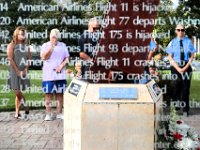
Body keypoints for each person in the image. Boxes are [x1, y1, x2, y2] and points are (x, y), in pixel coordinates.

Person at [166, 24, 196, 116]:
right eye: (178, 30)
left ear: (184, 31)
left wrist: (185, 67)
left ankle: (185, 110)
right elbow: (170, 57)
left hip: (186, 66)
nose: (180, 32)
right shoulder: (172, 42)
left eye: (182, 30)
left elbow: (192, 56)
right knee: (175, 88)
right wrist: (178, 68)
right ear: (175, 31)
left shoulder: (189, 42)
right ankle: (176, 108)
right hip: (175, 66)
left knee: (185, 89)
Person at [40, 28, 69, 121]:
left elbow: (67, 58)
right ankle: (48, 114)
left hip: (60, 74)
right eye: (52, 37)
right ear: (50, 36)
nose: (54, 39)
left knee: (59, 94)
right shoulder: (45, 45)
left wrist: (61, 65)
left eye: (56, 37)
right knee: (48, 95)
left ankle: (59, 113)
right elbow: (44, 57)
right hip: (49, 75)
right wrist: (51, 47)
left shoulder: (63, 45)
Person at [7, 26, 30, 119]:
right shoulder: (11, 45)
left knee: (19, 91)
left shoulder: (26, 46)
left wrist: (25, 70)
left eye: (24, 34)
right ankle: (26, 104)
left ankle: (17, 112)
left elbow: (29, 59)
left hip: (23, 71)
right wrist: (17, 71)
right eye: (21, 33)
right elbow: (10, 59)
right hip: (13, 71)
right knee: (16, 91)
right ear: (17, 34)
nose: (23, 35)